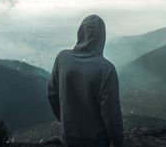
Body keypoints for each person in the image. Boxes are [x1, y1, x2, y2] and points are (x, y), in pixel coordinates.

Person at [48, 14, 124, 147]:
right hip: (96, 142)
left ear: (80, 32)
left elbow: (52, 95)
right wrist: (118, 143)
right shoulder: (106, 69)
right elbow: (111, 115)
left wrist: (66, 122)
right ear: (102, 37)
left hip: (68, 138)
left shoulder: (62, 58)